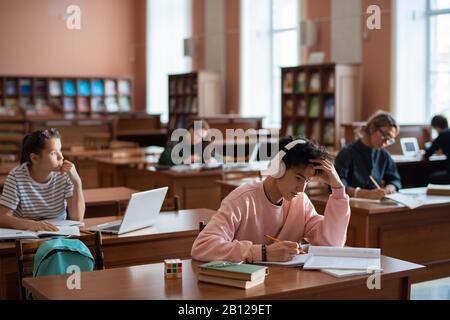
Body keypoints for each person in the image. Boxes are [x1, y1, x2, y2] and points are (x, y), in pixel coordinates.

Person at [191, 137, 350, 263]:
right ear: (277, 168)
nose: (302, 189)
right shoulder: (242, 199)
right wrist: (262, 253)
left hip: (283, 285)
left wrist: (338, 189)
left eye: (307, 181)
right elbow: (202, 247)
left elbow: (332, 244)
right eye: (298, 178)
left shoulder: (301, 202)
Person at [0, 129, 85, 231]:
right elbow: (2, 218)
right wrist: (30, 224)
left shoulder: (65, 175)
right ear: (35, 158)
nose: (61, 156)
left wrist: (77, 182)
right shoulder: (16, 177)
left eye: (60, 150)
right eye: (54, 153)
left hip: (58, 234)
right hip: (27, 236)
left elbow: (77, 219)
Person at [335, 111, 402, 200]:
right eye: (385, 135)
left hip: (374, 205)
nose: (386, 142)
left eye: (390, 140)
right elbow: (337, 186)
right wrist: (365, 194)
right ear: (372, 128)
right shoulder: (347, 153)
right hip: (350, 205)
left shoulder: (384, 154)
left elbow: (395, 180)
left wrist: (389, 188)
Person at [424, 115, 450, 184]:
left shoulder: (442, 136)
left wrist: (429, 134)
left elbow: (427, 154)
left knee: (431, 177)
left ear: (436, 126)